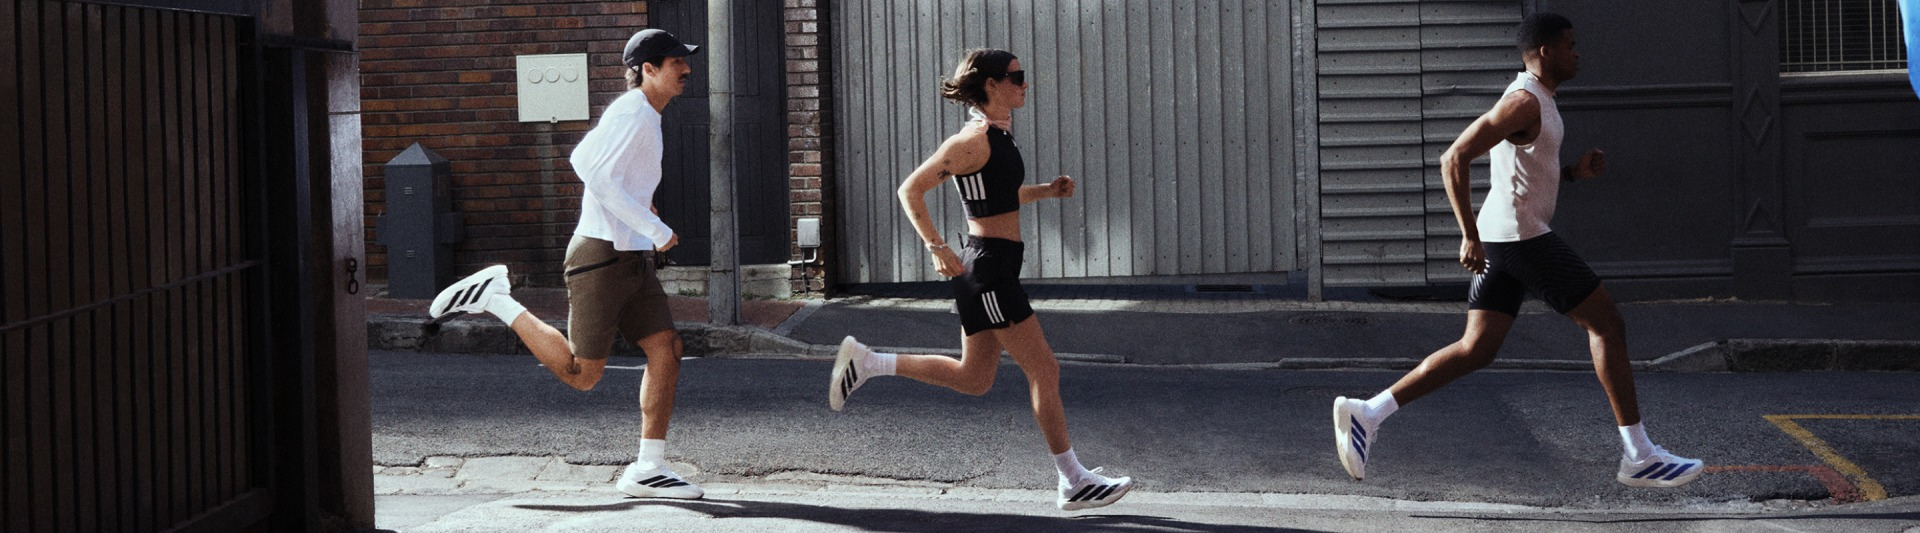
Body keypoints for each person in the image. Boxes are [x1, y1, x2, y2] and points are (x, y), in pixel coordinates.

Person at [1330, 13, 1706, 489]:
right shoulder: (1524, 101)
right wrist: (1467, 235)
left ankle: (1367, 412)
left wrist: (1572, 174)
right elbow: (1453, 157)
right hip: (1520, 237)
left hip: (1505, 236)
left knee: (1476, 349)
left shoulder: (1540, 100)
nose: (1577, 53)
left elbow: (1523, 173)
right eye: (1570, 45)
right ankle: (1640, 455)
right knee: (1607, 324)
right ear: (1546, 51)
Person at [827, 48, 1135, 511]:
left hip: (995, 266)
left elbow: (999, 196)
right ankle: (1073, 480)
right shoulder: (971, 140)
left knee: (973, 378)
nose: (1025, 84)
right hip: (988, 271)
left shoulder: (998, 135)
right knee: (1045, 369)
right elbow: (910, 189)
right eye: (1017, 76)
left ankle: (868, 362)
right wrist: (936, 247)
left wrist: (1047, 191)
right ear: (992, 85)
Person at [426, 28, 707, 499]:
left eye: (685, 61)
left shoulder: (646, 114)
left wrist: (643, 210)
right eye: (676, 62)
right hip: (601, 257)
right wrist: (656, 229)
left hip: (627, 254)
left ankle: (648, 469)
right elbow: (589, 166)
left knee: (667, 348)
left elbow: (611, 177)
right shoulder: (633, 112)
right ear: (648, 69)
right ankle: (495, 298)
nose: (686, 69)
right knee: (583, 373)